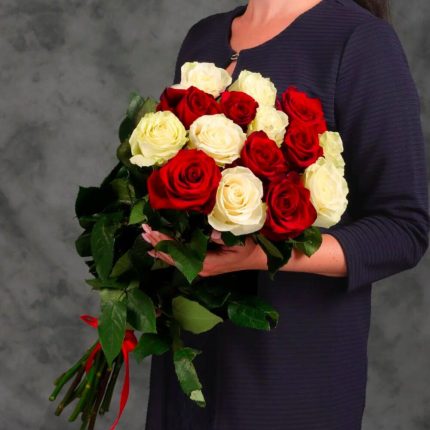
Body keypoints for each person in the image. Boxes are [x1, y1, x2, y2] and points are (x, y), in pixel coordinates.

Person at [141, 0, 430, 429]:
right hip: (189, 369)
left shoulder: (358, 41)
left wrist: (262, 255)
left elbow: (404, 228)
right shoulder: (203, 37)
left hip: (292, 372)